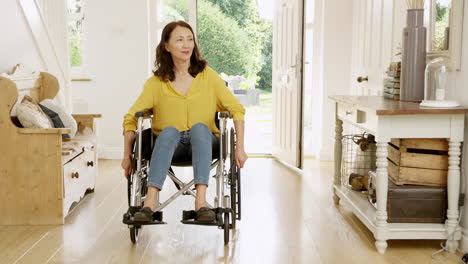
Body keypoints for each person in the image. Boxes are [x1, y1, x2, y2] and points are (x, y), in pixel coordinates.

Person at [121, 21, 247, 222]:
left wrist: (239, 147)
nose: (186, 44)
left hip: (207, 143)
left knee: (199, 128)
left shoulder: (208, 77)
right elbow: (130, 118)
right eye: (179, 40)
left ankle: (201, 203)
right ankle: (149, 203)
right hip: (170, 145)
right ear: (167, 46)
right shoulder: (156, 83)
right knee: (169, 131)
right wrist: (127, 155)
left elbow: (237, 110)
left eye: (190, 39)